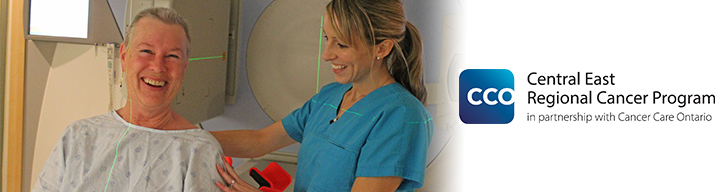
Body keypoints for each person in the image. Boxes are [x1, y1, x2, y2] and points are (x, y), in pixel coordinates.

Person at [212, 0, 433, 191]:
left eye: (342, 44)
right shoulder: (329, 96)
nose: (326, 55)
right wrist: (187, 138)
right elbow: (259, 141)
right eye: (327, 38)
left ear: (382, 48)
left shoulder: (401, 116)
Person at [33, 7, 228, 191]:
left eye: (172, 56)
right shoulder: (79, 136)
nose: (158, 66)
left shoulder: (200, 151)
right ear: (124, 57)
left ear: (184, 67)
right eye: (146, 51)